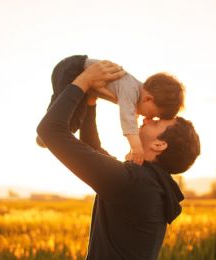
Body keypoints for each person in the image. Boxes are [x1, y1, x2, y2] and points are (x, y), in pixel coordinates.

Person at [37, 60, 201, 259]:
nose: (147, 119)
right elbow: (92, 148)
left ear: (159, 145)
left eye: (156, 122)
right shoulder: (149, 184)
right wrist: (90, 100)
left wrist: (84, 80)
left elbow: (49, 130)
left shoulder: (134, 182)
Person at [36, 55, 185, 165]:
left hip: (79, 77)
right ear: (148, 99)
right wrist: (136, 147)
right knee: (66, 112)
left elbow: (130, 115)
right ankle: (45, 135)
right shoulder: (131, 91)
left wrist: (92, 97)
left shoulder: (137, 94)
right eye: (152, 115)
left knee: (74, 120)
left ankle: (45, 137)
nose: (148, 118)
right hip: (71, 69)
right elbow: (127, 119)